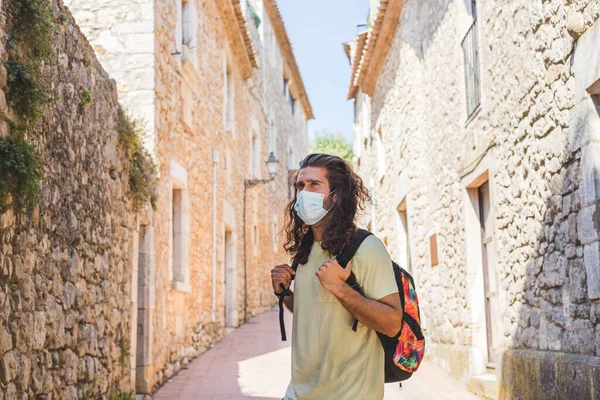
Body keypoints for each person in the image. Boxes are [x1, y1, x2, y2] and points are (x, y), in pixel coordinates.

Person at [271, 153, 403, 400]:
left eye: (314, 184)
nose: (303, 193)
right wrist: (284, 292)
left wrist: (339, 288)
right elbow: (311, 309)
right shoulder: (305, 250)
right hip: (298, 392)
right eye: (300, 185)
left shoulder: (365, 247)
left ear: (336, 195)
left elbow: (392, 323)